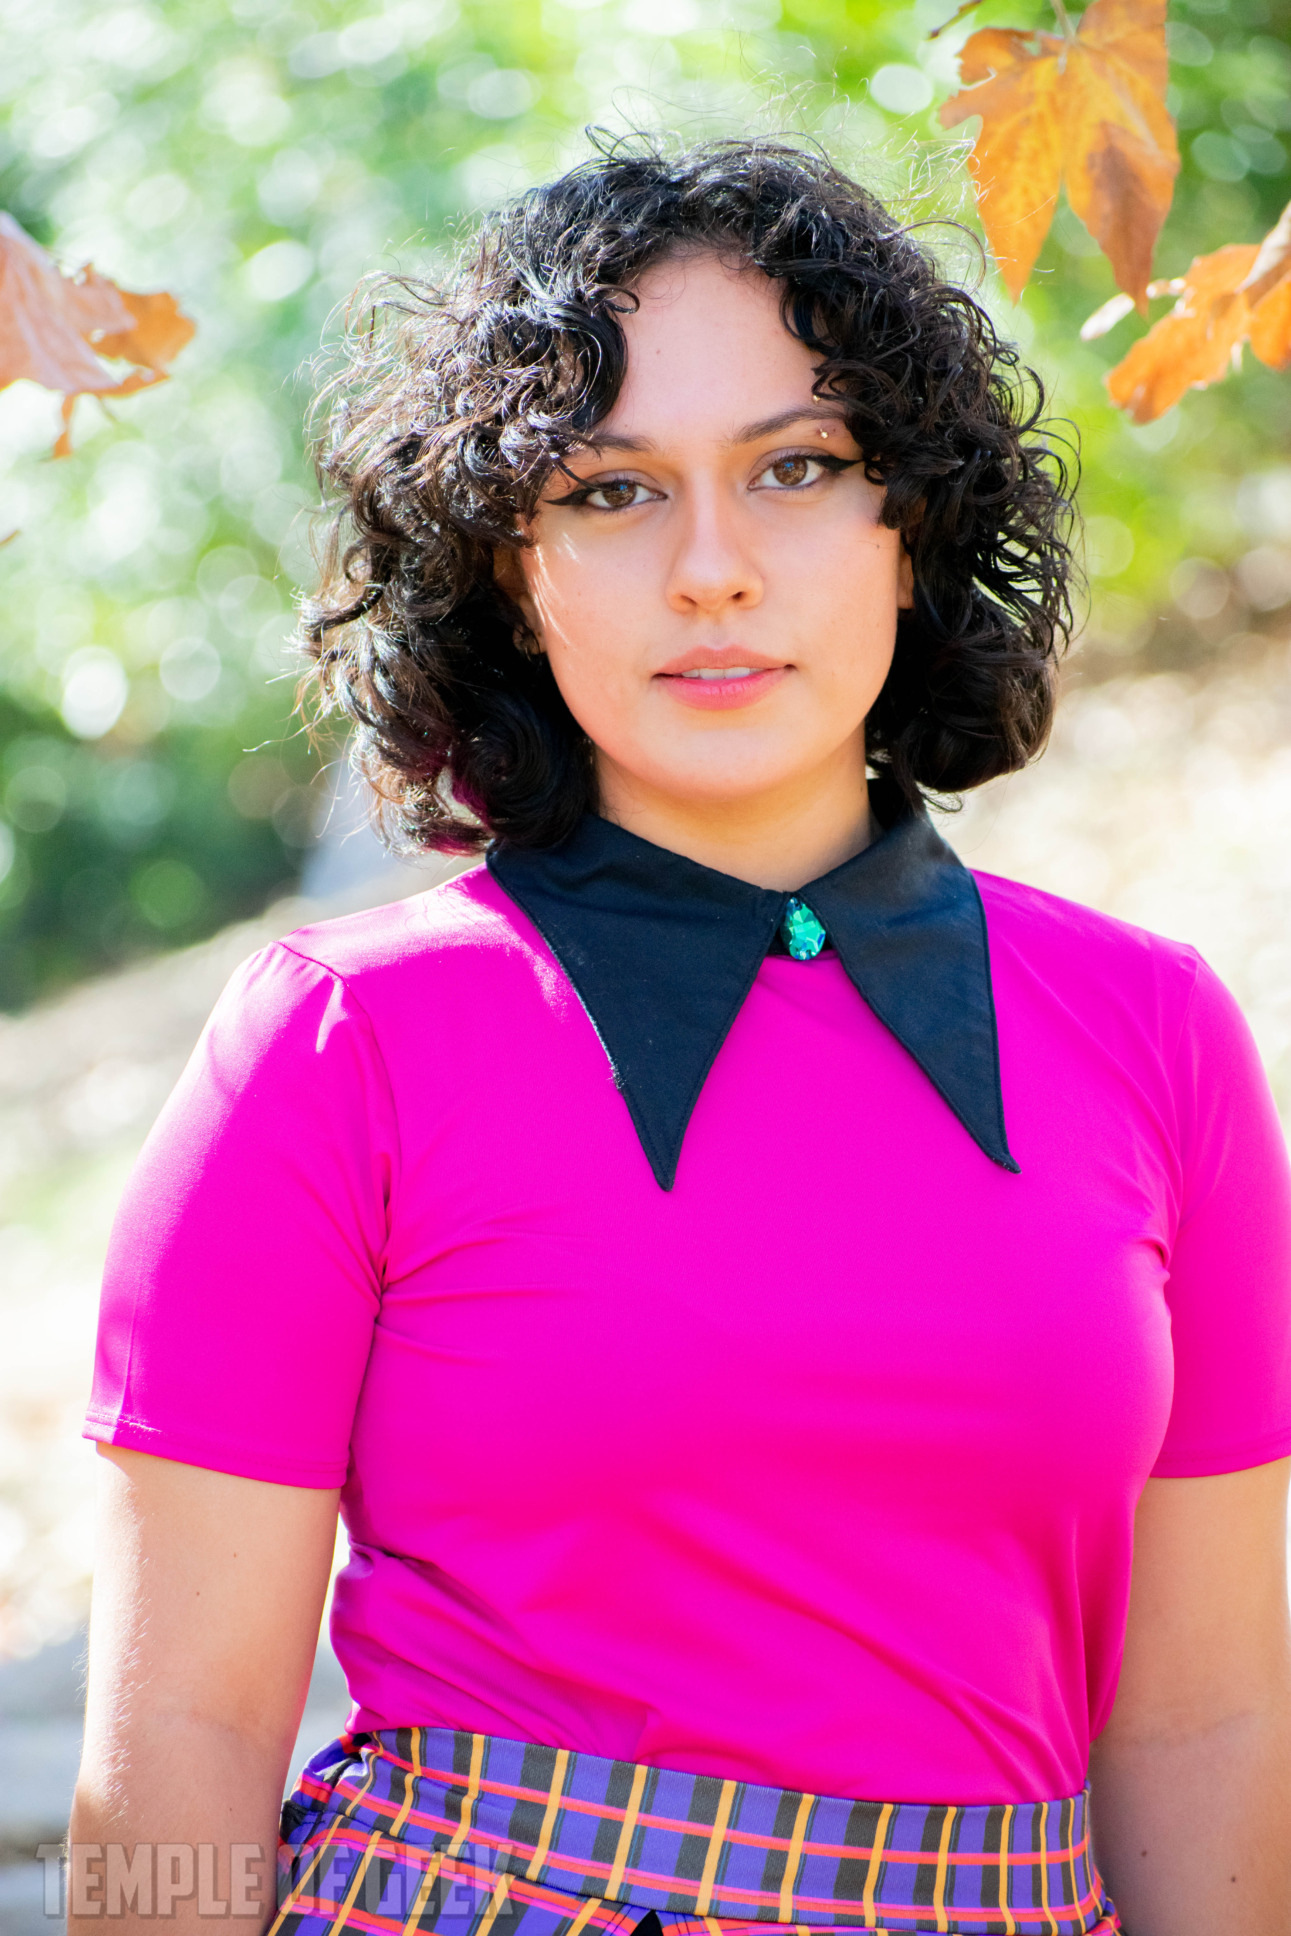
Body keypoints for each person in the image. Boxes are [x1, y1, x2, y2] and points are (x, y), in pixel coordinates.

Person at [72, 139, 1291, 1936]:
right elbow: (171, 1741)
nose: (713, 570)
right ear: (508, 568)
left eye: (798, 469)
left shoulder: (1156, 1035)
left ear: (916, 522)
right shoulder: (336, 1048)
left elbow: (1208, 1721)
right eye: (612, 492)